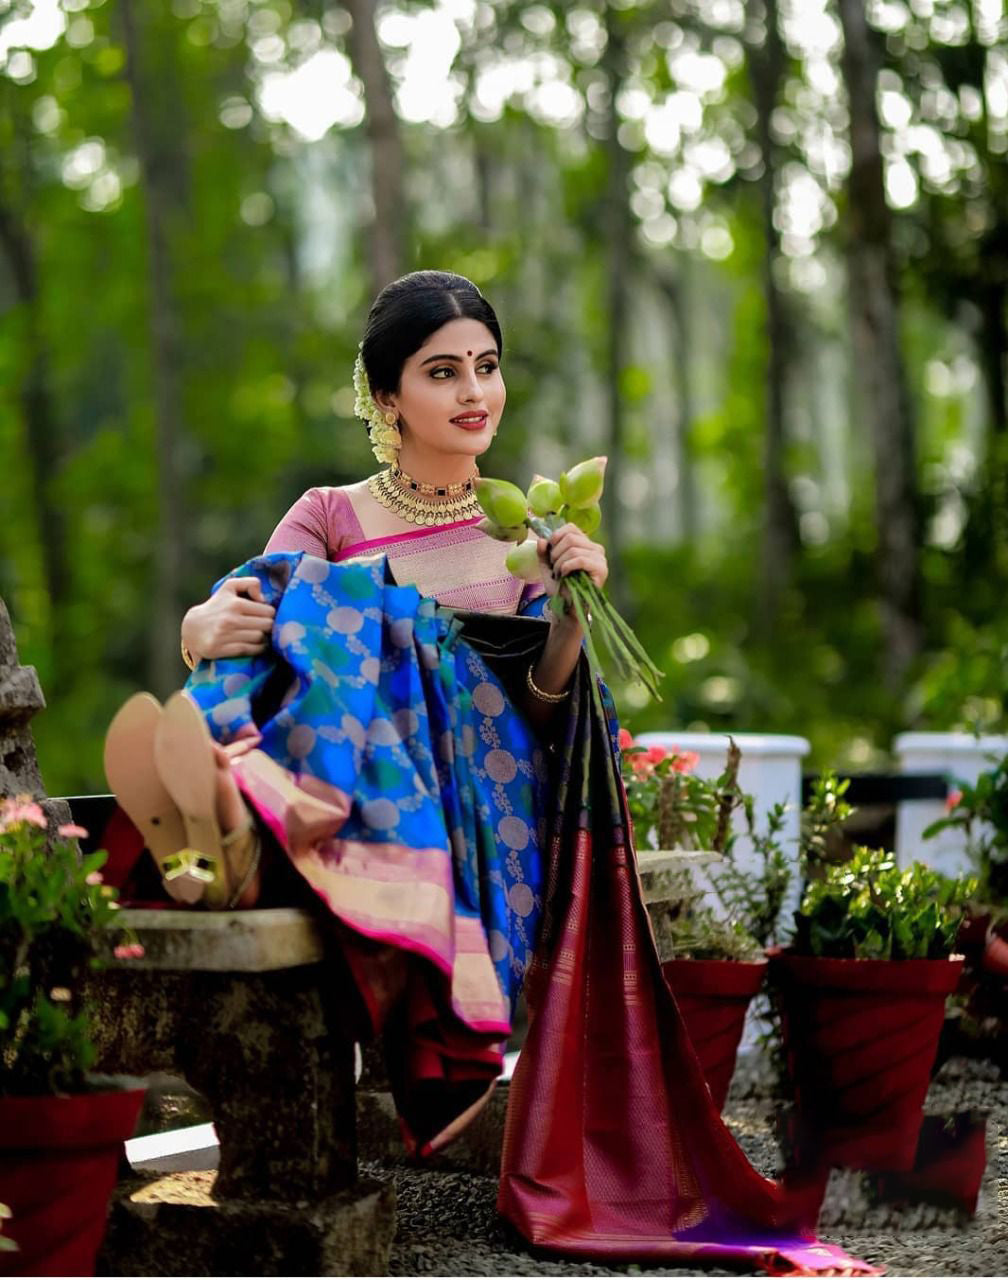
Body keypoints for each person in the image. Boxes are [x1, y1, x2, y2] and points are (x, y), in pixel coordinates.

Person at [103, 271, 874, 1276]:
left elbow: (539, 723)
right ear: (387, 399)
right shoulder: (330, 509)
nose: (475, 391)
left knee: (371, 626)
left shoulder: (523, 537)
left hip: (470, 811)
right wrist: (199, 626)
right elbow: (247, 620)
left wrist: (563, 611)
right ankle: (234, 826)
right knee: (306, 603)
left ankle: (243, 822)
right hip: (348, 775)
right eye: (442, 372)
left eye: (487, 366)